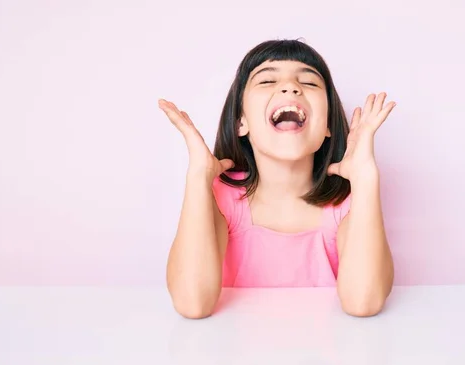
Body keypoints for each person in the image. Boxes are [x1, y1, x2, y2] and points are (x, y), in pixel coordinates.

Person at [159, 39, 396, 319]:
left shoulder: (348, 203)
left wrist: (366, 179)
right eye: (267, 80)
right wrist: (198, 177)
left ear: (329, 125)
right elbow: (192, 304)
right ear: (240, 122)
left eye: (308, 82)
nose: (290, 87)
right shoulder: (219, 197)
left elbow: (364, 303)